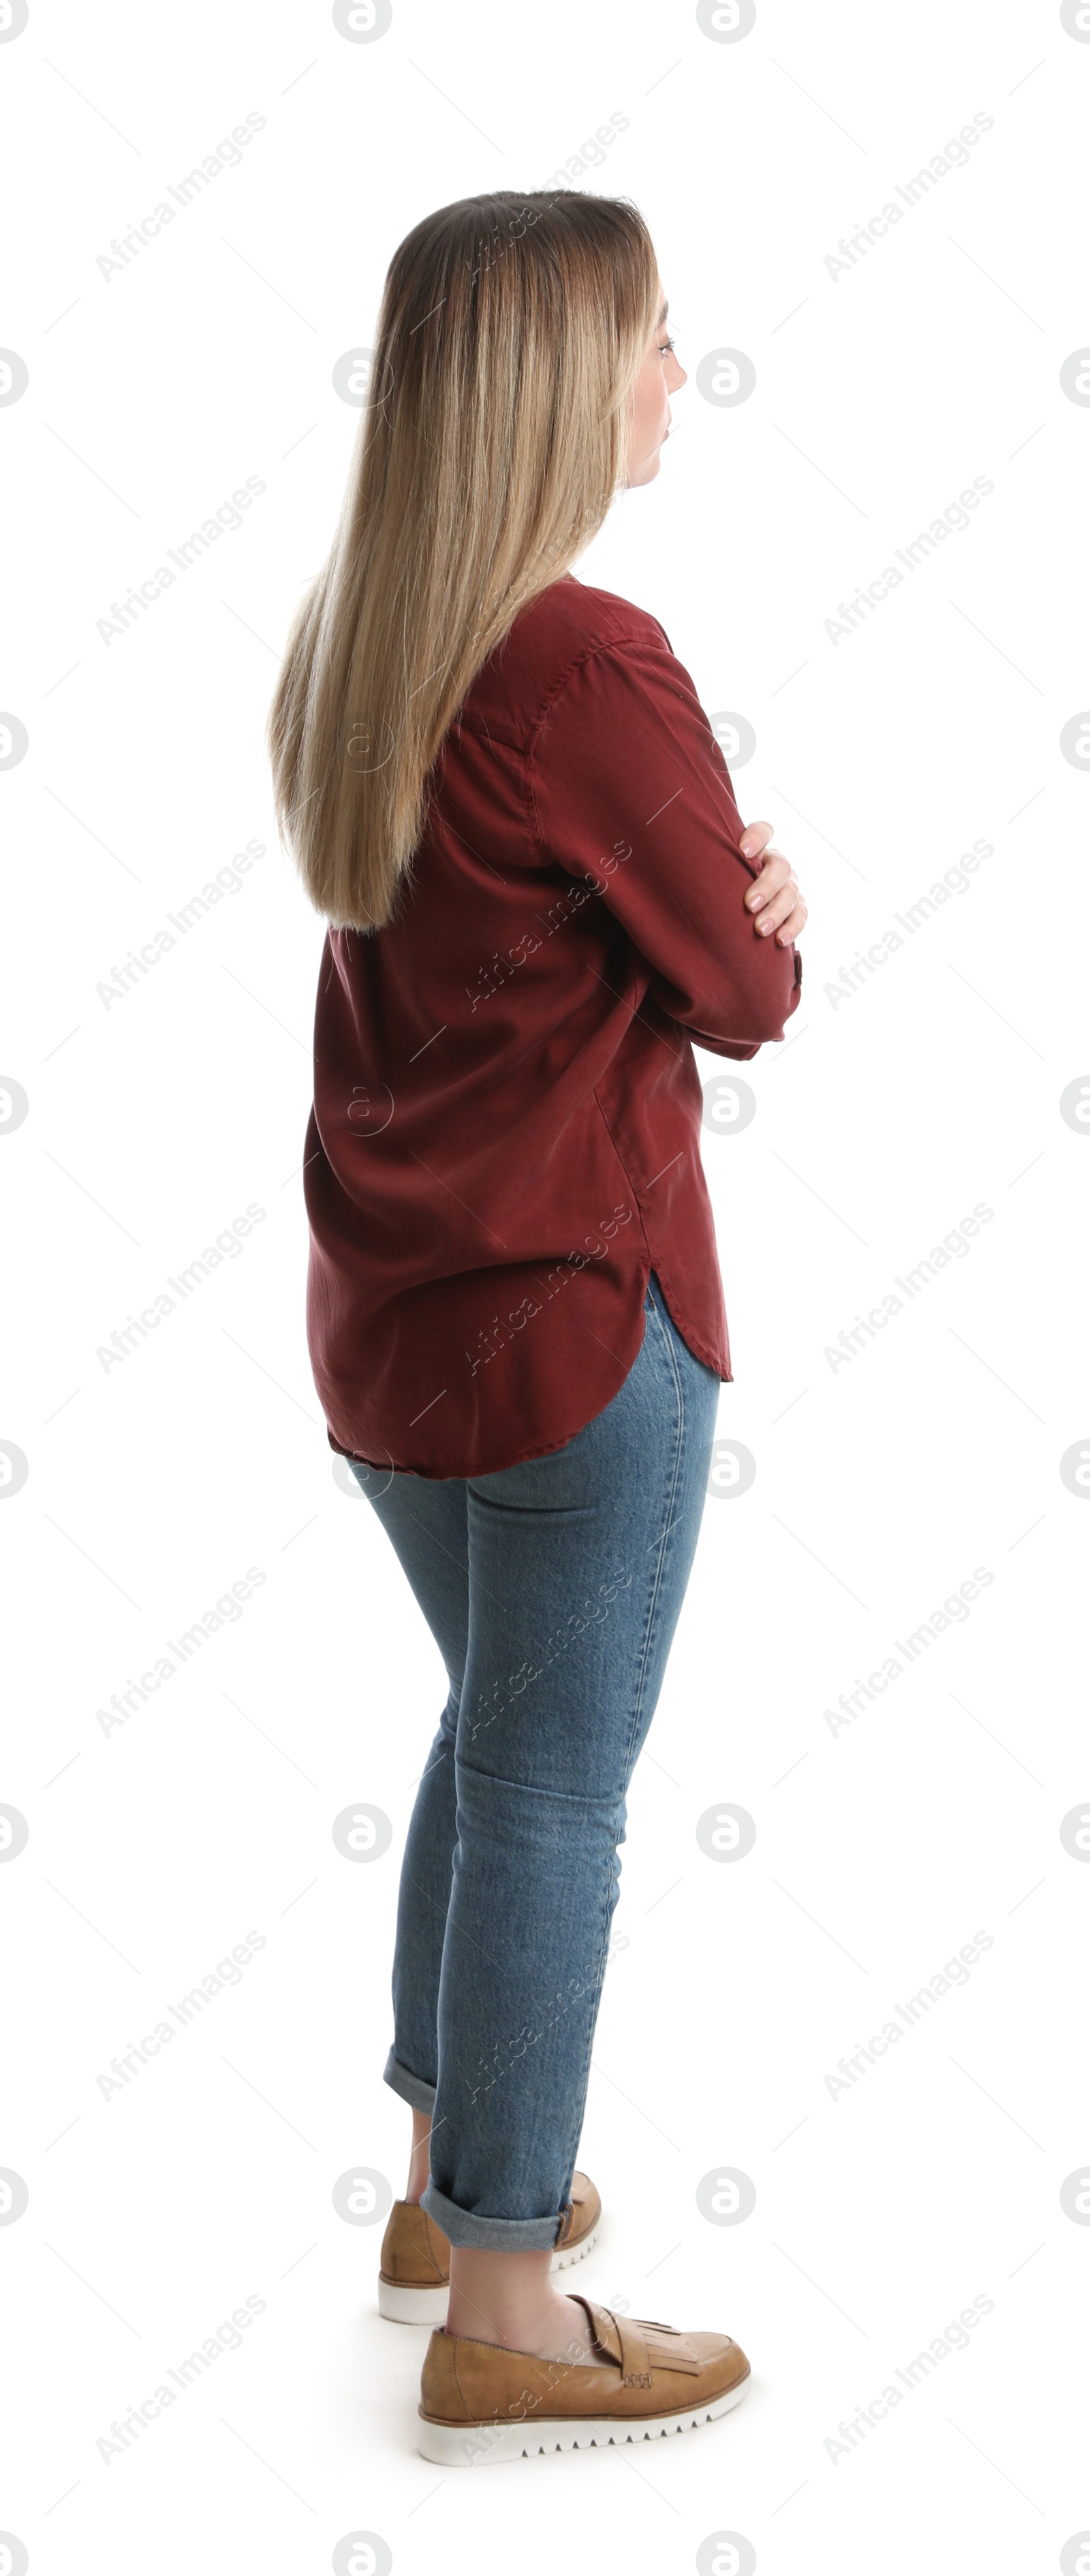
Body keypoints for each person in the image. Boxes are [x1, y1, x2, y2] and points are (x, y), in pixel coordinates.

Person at [268, 188, 807, 2466]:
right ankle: (509, 2300)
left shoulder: (363, 638)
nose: (682, 372)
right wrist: (763, 883)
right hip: (582, 1329)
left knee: (497, 1742)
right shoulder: (588, 660)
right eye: (657, 338)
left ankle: (437, 2192)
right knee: (557, 1794)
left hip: (393, 1340)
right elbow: (749, 989)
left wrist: (714, 881)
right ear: (562, 385)